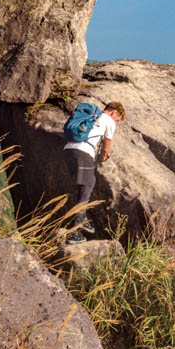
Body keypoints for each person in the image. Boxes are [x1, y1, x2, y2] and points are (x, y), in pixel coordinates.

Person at [63, 101, 125, 243]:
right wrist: (104, 155)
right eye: (118, 119)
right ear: (114, 112)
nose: (116, 122)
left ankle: (81, 219)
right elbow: (106, 144)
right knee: (88, 186)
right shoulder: (109, 120)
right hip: (83, 153)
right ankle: (75, 229)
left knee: (83, 187)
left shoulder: (93, 116)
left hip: (68, 151)